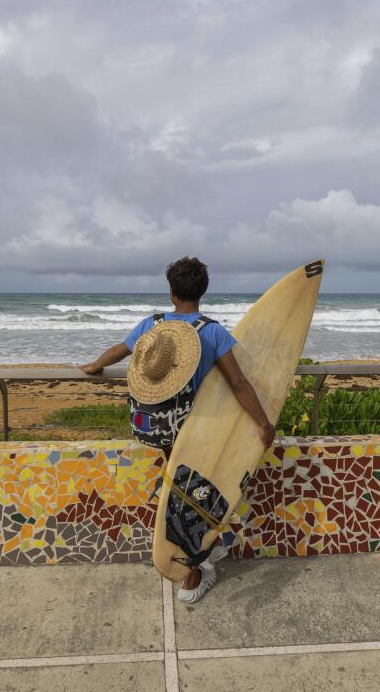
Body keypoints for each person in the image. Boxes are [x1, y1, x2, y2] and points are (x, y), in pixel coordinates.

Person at [80, 256, 274, 603]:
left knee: (182, 495)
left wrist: (95, 365)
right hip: (192, 433)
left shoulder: (152, 325)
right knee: (192, 500)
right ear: (203, 292)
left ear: (171, 294)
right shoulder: (211, 331)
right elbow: (239, 383)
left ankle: (210, 548)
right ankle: (193, 574)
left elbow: (119, 351)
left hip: (154, 430)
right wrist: (262, 423)